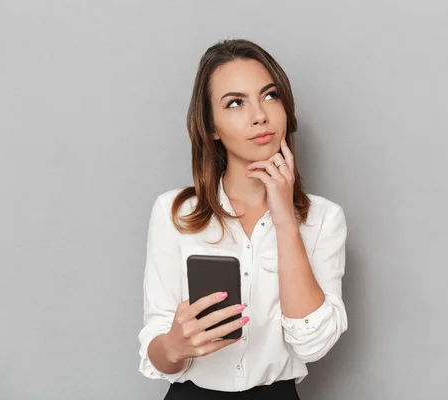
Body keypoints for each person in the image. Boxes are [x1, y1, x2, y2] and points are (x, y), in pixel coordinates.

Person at [138, 38, 348, 400]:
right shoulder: (174, 213)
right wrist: (174, 345)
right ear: (212, 127)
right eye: (235, 103)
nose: (259, 115)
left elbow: (313, 344)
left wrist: (284, 218)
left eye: (269, 96)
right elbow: (157, 353)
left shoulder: (324, 219)